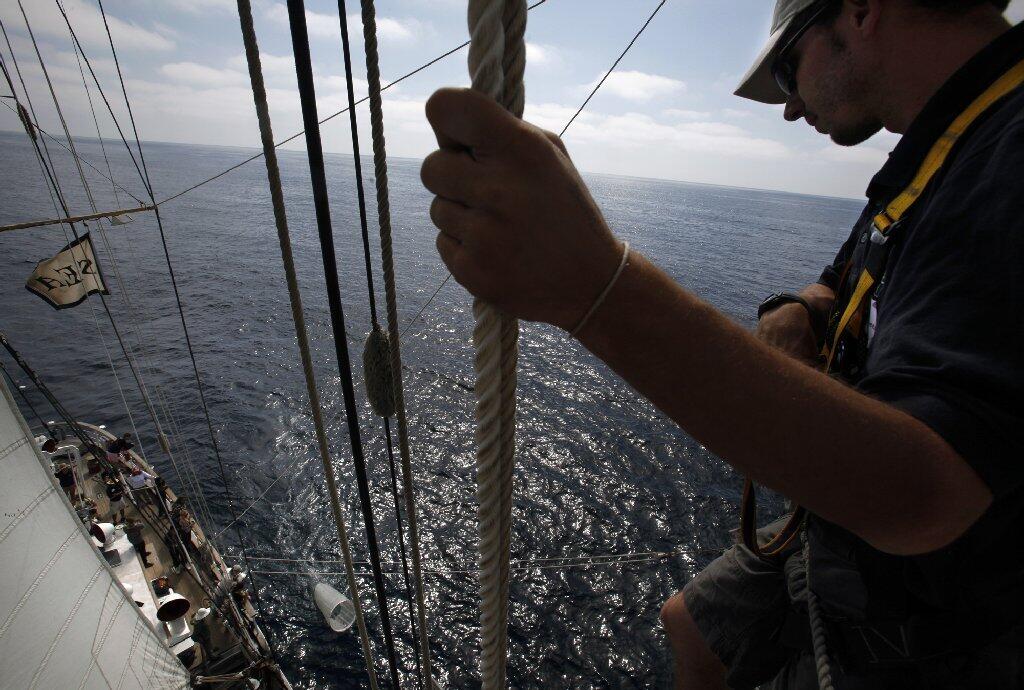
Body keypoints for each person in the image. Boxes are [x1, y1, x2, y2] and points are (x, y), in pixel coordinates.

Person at [419, 1, 1024, 687]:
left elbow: (924, 497)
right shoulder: (944, 150)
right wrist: (803, 307)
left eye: (789, 70)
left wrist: (593, 288)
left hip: (948, 602)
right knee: (694, 625)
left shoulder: (1006, 150)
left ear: (860, 11)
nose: (790, 109)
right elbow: (863, 276)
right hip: (856, 547)